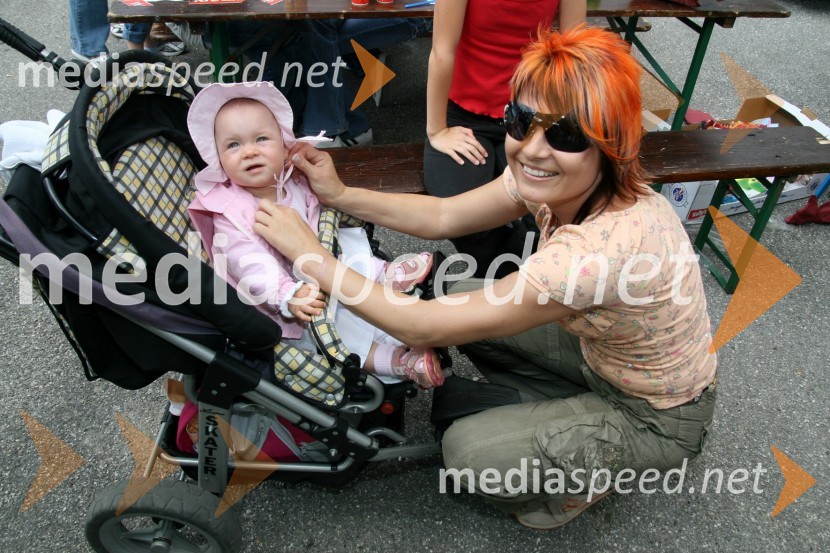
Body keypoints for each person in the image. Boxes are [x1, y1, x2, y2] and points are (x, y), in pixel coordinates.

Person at [253, 26, 717, 529]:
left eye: (565, 134)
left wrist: (310, 256)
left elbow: (421, 328)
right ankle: (565, 416)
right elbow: (444, 218)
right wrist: (340, 194)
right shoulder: (555, 181)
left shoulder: (597, 252)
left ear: (612, 145)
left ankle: (585, 473)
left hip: (658, 416)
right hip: (603, 355)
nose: (533, 149)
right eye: (521, 120)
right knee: (456, 290)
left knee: (470, 454)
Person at [186, 82, 444, 388]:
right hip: (288, 295)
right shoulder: (230, 212)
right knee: (336, 328)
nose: (250, 151)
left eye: (261, 139)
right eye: (233, 145)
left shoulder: (290, 179)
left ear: (284, 147)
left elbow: (316, 212)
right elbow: (248, 264)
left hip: (322, 260)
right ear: (216, 158)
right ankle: (397, 362)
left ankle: (384, 278)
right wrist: (286, 295)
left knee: (346, 243)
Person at [424, 0, 586, 278]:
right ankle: (514, 276)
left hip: (534, 110)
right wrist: (437, 130)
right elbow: (442, 51)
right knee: (463, 216)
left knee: (556, 205)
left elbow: (574, 49)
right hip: (467, 114)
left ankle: (523, 276)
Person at [224, 18, 432, 146]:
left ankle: (332, 130)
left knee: (308, 32)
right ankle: (346, 127)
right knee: (303, 29)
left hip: (410, 9)